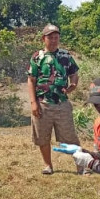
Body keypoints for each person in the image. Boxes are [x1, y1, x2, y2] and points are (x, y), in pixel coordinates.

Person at [27, 24, 82, 175]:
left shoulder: (65, 55)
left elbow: (74, 73)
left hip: (62, 103)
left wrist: (74, 84)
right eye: (50, 37)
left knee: (70, 136)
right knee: (42, 137)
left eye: (56, 37)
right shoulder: (37, 57)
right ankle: (48, 165)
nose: (53, 40)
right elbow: (31, 80)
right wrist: (33, 103)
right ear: (43, 39)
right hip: (42, 104)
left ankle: (81, 166)